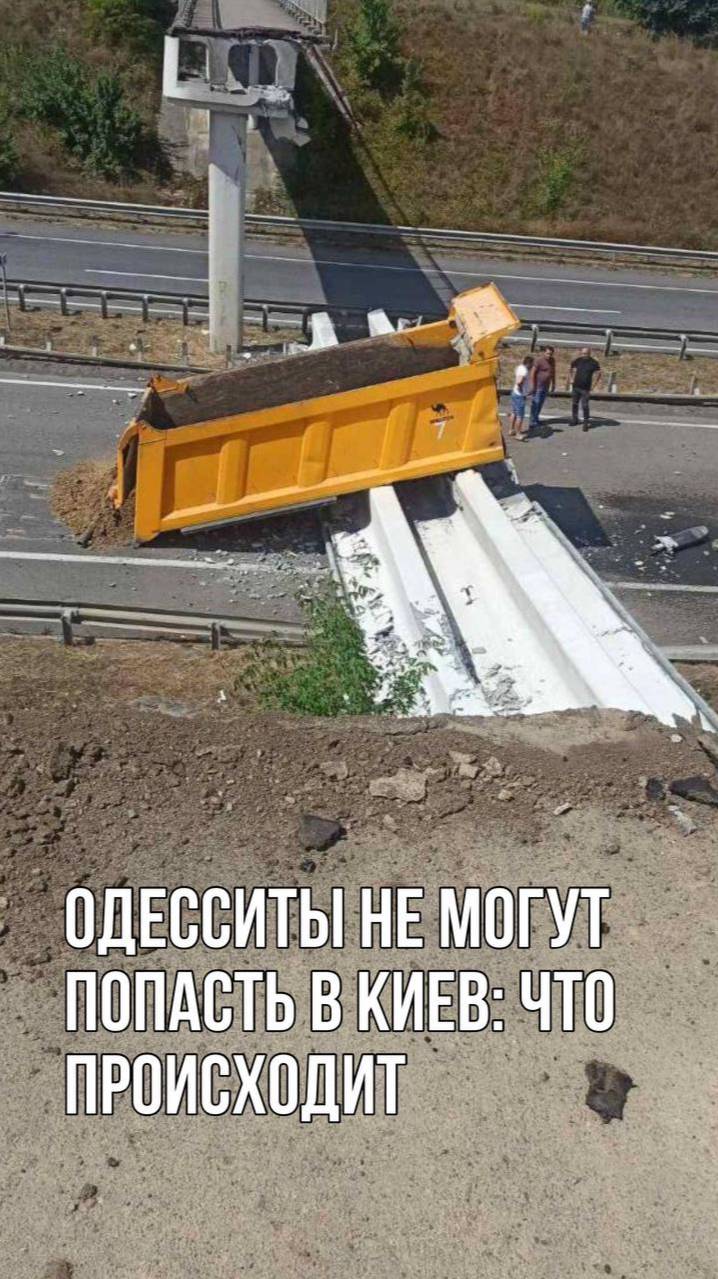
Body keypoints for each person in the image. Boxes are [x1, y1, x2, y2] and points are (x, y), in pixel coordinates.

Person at [569, 346, 602, 430]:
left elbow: (599, 373)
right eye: (583, 353)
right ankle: (574, 419)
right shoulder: (578, 360)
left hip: (585, 388)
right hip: (576, 387)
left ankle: (586, 422)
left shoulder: (593, 362)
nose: (584, 355)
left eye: (585, 353)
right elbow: (571, 367)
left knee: (585, 405)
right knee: (574, 404)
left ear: (589, 353)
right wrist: (571, 378)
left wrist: (594, 385)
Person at [528, 346, 556, 433]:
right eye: (547, 353)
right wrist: (533, 385)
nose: (549, 356)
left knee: (540, 403)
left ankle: (536, 419)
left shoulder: (552, 360)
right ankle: (532, 422)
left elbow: (553, 372)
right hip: (538, 386)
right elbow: (532, 373)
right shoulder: (539, 361)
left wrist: (553, 383)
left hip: (546, 386)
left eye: (551, 354)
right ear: (544, 353)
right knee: (535, 404)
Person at [508, 354, 533, 440]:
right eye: (531, 364)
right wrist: (523, 392)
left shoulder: (519, 367)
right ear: (528, 363)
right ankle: (518, 434)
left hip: (514, 393)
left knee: (514, 412)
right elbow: (519, 382)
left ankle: (511, 430)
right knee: (520, 416)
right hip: (519, 395)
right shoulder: (524, 370)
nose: (532, 366)